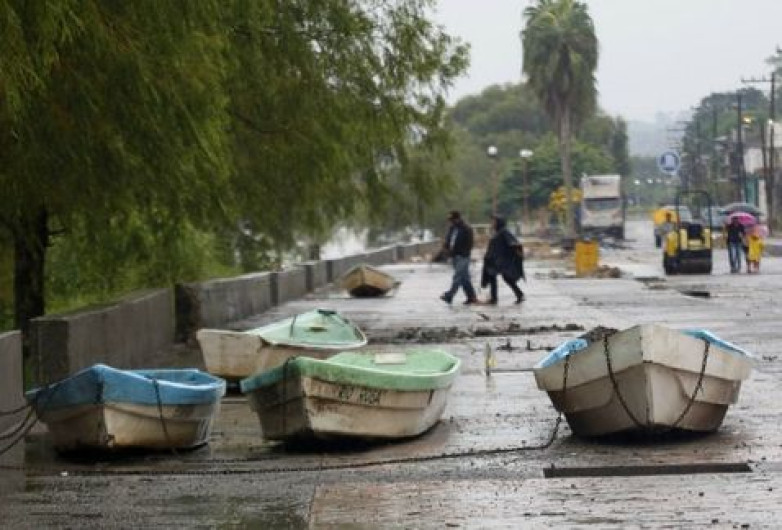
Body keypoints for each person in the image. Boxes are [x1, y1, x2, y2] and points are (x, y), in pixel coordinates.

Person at [479, 216, 525, 304]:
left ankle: (518, 294)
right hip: (494, 260)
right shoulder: (497, 233)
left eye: (494, 221)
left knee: (505, 277)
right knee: (493, 277)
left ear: (499, 222)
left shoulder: (504, 231)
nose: (492, 223)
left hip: (501, 260)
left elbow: (513, 243)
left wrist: (518, 253)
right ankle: (495, 298)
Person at [439, 211, 478, 305]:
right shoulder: (452, 228)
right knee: (464, 277)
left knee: (457, 276)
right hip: (454, 256)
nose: (451, 222)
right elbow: (448, 240)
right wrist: (446, 249)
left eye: (452, 219)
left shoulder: (466, 229)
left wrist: (464, 252)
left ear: (458, 218)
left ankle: (449, 295)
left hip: (463, 256)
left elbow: (470, 243)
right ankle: (471, 297)